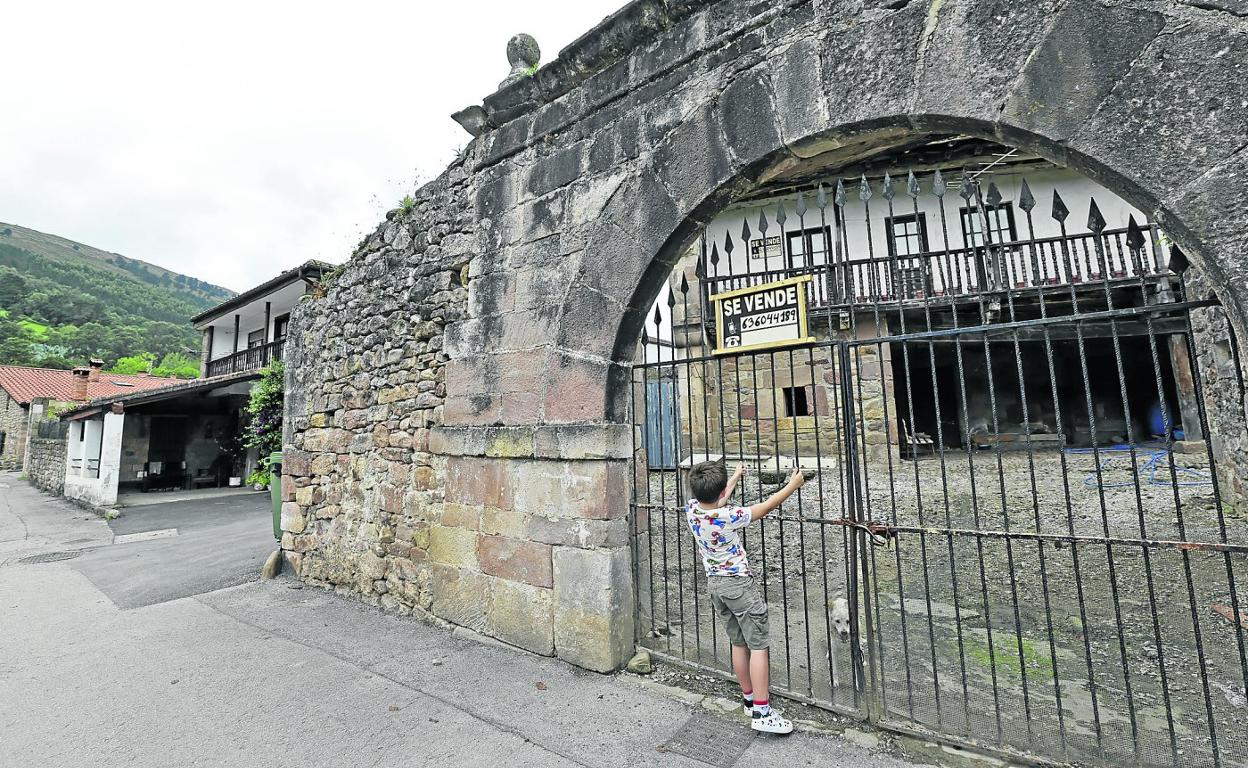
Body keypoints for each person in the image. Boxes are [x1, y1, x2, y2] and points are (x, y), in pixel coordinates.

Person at [685, 459, 805, 734]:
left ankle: (749, 700)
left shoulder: (692, 509)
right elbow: (767, 506)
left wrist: (736, 476)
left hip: (715, 585)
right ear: (720, 493)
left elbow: (717, 498)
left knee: (738, 642)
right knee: (758, 645)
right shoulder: (730, 516)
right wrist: (792, 485)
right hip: (738, 585)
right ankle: (762, 712)